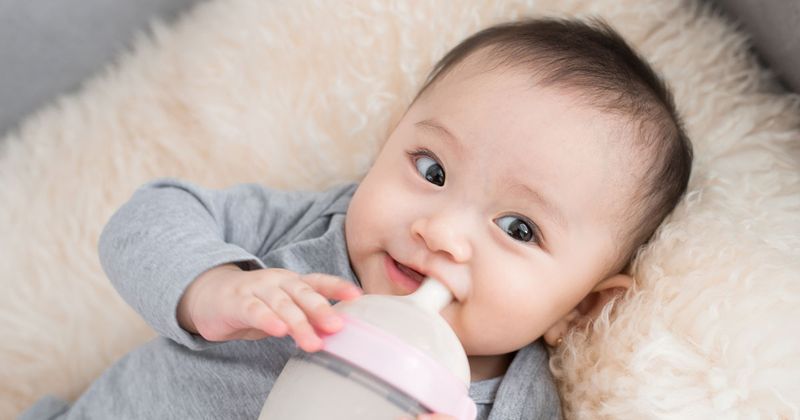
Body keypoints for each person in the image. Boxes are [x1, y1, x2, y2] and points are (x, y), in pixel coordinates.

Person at [19, 17, 692, 420]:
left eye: (518, 229)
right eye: (430, 170)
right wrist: (215, 287)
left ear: (577, 311)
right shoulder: (318, 230)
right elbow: (146, 220)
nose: (440, 232)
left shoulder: (515, 403)